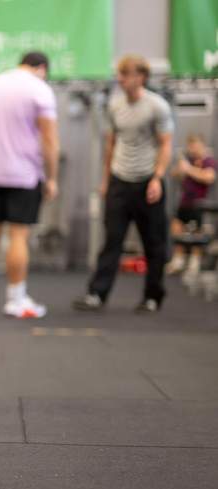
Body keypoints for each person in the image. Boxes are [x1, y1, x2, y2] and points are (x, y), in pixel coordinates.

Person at [73, 55, 174, 314]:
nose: (120, 79)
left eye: (125, 74)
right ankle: (97, 294)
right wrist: (106, 181)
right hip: (120, 181)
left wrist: (157, 178)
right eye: (119, 74)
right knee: (111, 241)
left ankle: (152, 297)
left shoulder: (157, 106)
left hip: (147, 183)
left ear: (140, 77)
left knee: (153, 243)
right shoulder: (115, 106)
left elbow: (165, 144)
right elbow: (111, 145)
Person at [0, 51, 60, 318]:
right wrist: (52, 177)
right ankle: (15, 300)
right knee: (18, 235)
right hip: (23, 174)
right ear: (42, 68)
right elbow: (50, 141)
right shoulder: (39, 90)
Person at [165, 133, 215, 278]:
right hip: (184, 202)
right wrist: (182, 168)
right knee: (177, 228)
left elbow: (209, 177)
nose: (192, 149)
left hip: (199, 204)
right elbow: (175, 174)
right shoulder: (189, 160)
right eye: (190, 146)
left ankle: (195, 262)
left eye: (195, 145)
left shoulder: (208, 161)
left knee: (197, 232)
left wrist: (189, 170)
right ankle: (178, 261)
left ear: (202, 145)